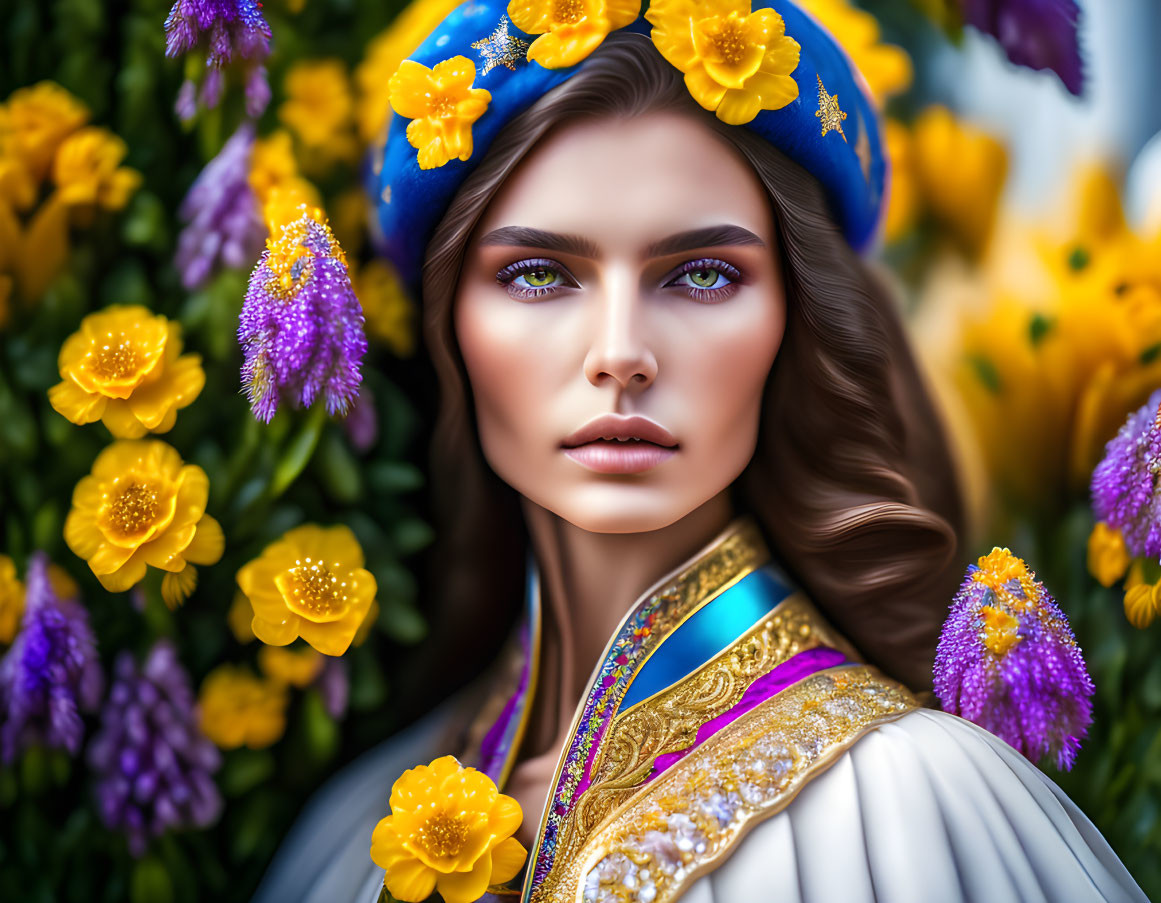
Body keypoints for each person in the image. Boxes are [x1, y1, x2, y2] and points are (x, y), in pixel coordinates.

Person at [251, 2, 1149, 901]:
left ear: (794, 322)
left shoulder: (920, 806)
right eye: (537, 275)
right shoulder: (352, 830)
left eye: (702, 274)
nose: (619, 353)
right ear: (449, 327)